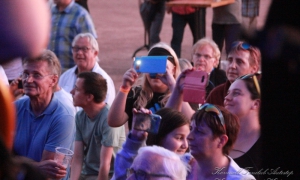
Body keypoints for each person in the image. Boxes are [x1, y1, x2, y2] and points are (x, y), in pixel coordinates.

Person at [13, 50, 76, 179]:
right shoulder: (16, 108)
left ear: (53, 80)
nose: (28, 80)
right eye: (25, 74)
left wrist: (15, 164)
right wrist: (37, 166)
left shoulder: (63, 116)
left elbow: (47, 175)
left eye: (37, 75)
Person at [108, 42, 180, 130]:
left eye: (161, 67)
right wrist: (125, 87)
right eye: (151, 66)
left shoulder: (182, 96)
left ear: (173, 70)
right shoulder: (136, 94)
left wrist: (174, 87)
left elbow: (190, 119)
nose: (156, 72)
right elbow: (113, 121)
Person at [70, 72, 125, 180]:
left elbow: (105, 165)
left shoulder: (109, 119)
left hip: (110, 175)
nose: (71, 92)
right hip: (87, 173)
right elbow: (77, 159)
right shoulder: (80, 116)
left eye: (76, 89)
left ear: (89, 97)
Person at [111, 107, 192, 179]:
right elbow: (121, 176)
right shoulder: (140, 163)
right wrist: (134, 140)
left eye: (188, 139)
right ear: (160, 137)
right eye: (179, 138)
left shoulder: (192, 168)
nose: (185, 145)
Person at [188, 103, 255, 179]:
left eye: (199, 131)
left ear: (221, 141)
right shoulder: (180, 165)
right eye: (190, 129)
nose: (189, 137)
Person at [59, 33, 115, 106]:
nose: (79, 52)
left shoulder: (103, 80)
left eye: (85, 49)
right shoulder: (65, 77)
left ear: (95, 53)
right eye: (76, 48)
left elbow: (107, 112)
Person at [225, 73, 262, 179]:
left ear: (255, 104)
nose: (227, 98)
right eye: (228, 93)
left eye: (236, 93)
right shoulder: (218, 136)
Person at [206, 41, 261, 106]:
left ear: (254, 69)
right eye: (230, 60)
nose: (232, 66)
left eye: (239, 62)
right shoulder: (216, 94)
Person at [48, 0, 97, 71]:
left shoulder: (80, 15)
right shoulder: (50, 12)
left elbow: (91, 46)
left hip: (72, 73)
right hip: (51, 72)